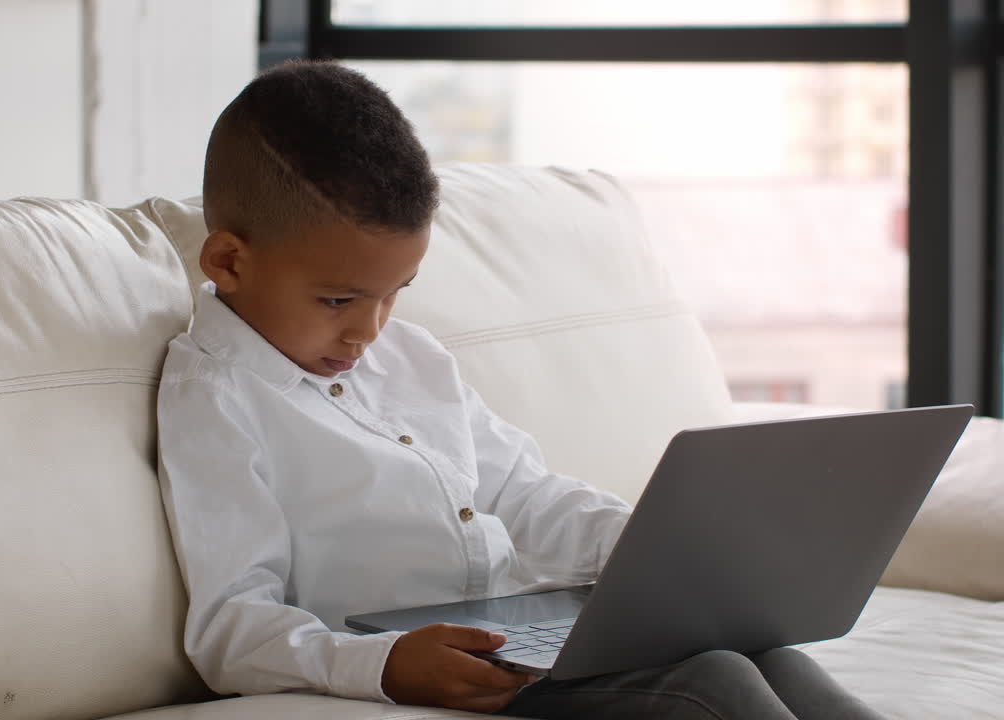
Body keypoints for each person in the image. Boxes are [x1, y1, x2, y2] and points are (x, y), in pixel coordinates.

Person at [156, 60, 886, 719]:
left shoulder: (413, 359)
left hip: (521, 636)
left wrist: (646, 552)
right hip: (449, 670)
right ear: (229, 261)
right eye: (339, 301)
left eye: (394, 294)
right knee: (715, 688)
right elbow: (231, 625)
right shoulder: (216, 400)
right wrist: (383, 666)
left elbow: (526, 494)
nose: (369, 332)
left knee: (768, 657)